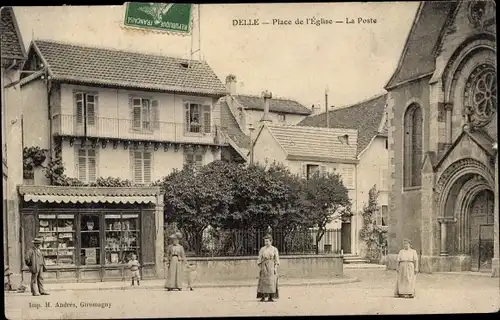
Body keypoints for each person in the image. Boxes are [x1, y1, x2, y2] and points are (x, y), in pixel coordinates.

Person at [257, 234, 280, 302]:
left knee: (271, 281)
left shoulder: (274, 249)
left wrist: (275, 268)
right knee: (263, 281)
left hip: (271, 266)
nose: (266, 243)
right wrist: (261, 267)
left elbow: (277, 259)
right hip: (264, 266)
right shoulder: (262, 249)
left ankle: (270, 297)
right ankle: (263, 297)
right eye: (265, 241)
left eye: (267, 241)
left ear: (271, 241)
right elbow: (259, 259)